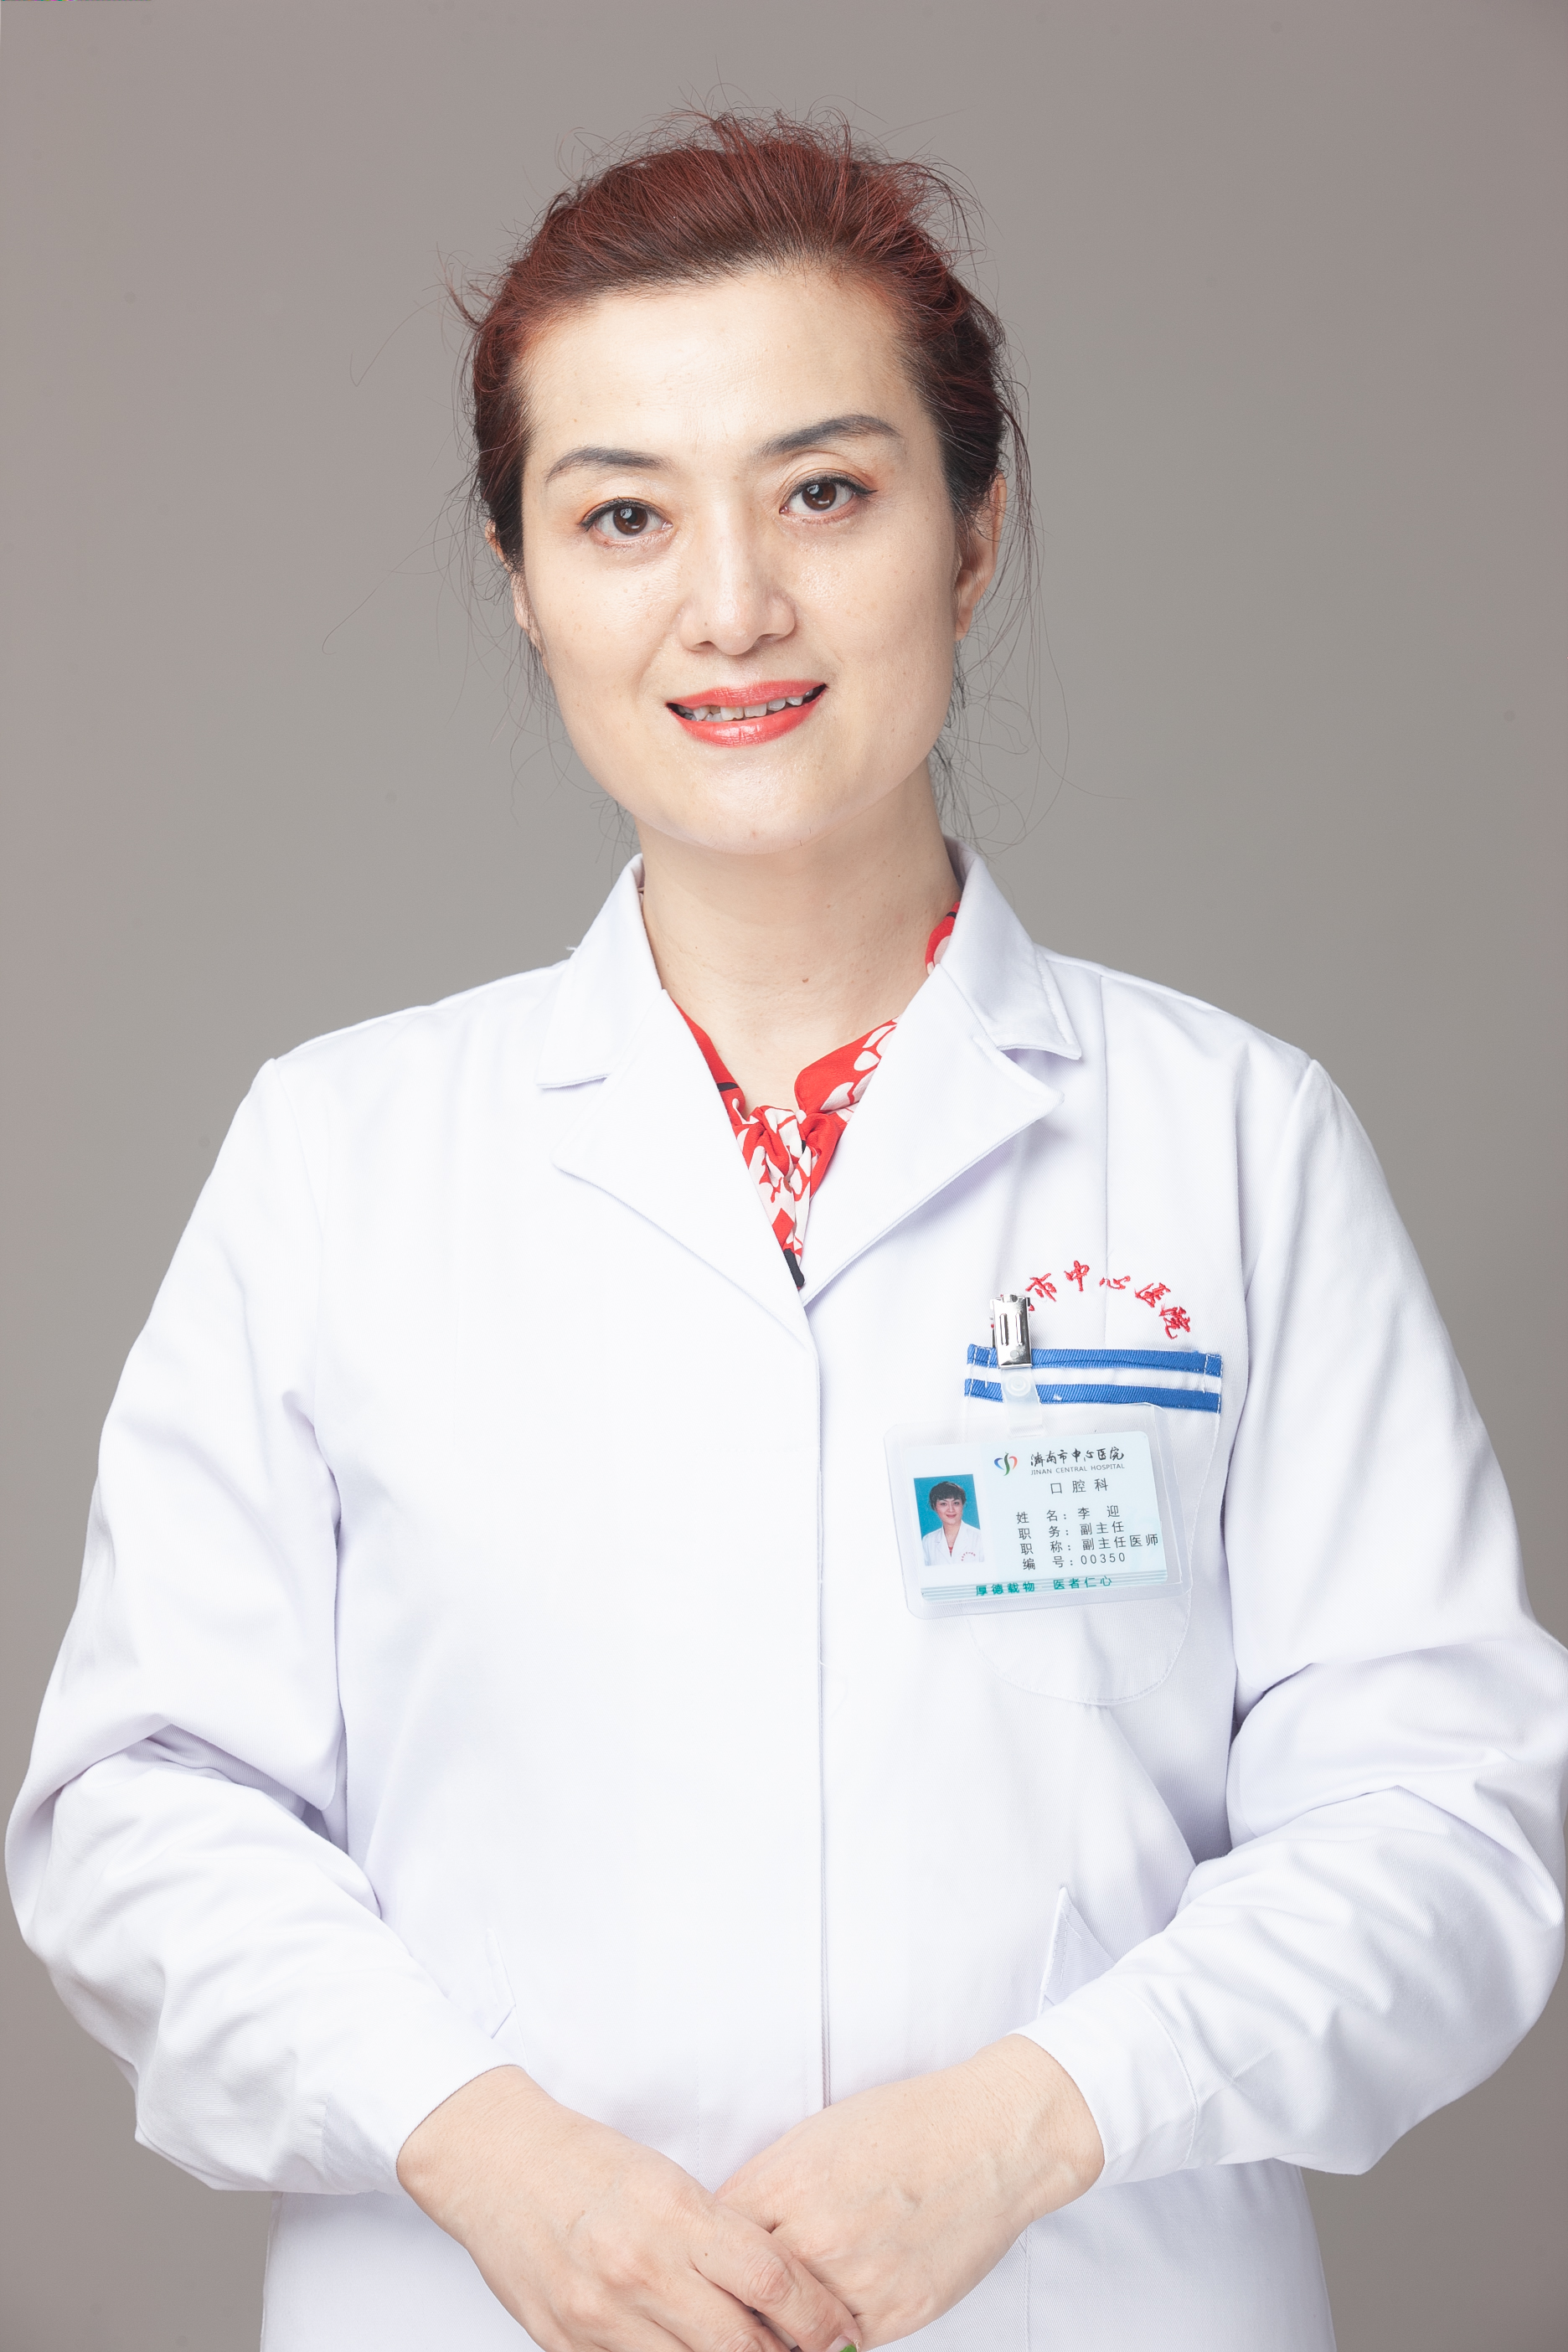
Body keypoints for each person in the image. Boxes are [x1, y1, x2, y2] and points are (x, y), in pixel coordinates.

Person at [8, 111, 1567, 2352]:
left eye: (823, 493)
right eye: (622, 515)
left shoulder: (1235, 1143)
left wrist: (1036, 2120)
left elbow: (1447, 1824)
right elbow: (147, 1812)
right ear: (523, 576)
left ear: (973, 531)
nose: (729, 603)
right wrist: (491, 2155)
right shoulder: (337, 1158)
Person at [920, 1482, 984, 1567]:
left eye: (956, 1503)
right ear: (934, 1507)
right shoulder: (928, 1541)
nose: (951, 1509)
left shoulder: (980, 1538)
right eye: (943, 1504)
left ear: (962, 1505)